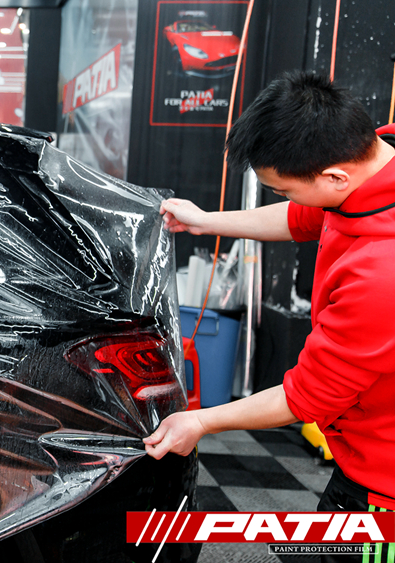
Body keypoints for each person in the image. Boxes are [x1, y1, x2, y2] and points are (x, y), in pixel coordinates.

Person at [144, 70, 395, 560]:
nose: (286, 200)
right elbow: (305, 215)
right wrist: (206, 221)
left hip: (382, 481)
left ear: (335, 177)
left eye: (285, 189)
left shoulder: (381, 275)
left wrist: (201, 422)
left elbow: (307, 396)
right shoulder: (373, 159)